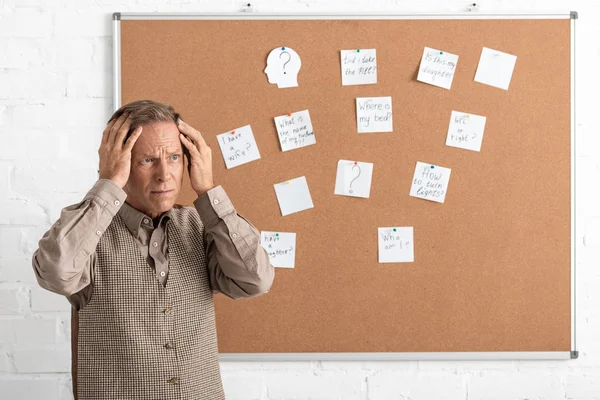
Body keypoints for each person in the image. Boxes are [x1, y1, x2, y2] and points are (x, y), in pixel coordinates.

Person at [32, 100, 275, 400]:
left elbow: (256, 279)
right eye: (148, 160)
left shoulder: (202, 225)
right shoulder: (89, 234)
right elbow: (56, 271)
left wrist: (209, 191)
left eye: (174, 157)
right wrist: (108, 183)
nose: (164, 175)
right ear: (117, 162)